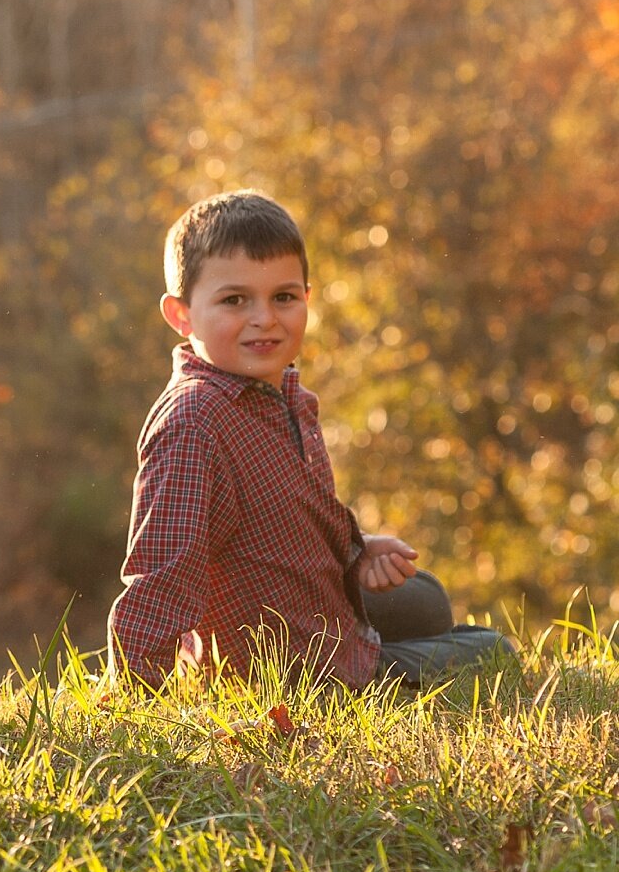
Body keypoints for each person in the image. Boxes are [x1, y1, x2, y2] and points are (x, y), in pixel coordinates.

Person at [107, 190, 513, 689]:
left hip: (308, 613)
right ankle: (383, 676)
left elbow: (283, 525)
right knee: (495, 652)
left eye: (283, 297)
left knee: (423, 598)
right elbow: (162, 573)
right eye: (235, 300)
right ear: (181, 315)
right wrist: (134, 690)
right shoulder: (194, 422)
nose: (265, 318)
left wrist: (355, 548)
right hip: (293, 671)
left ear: (307, 298)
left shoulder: (285, 397)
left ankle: (385, 644)